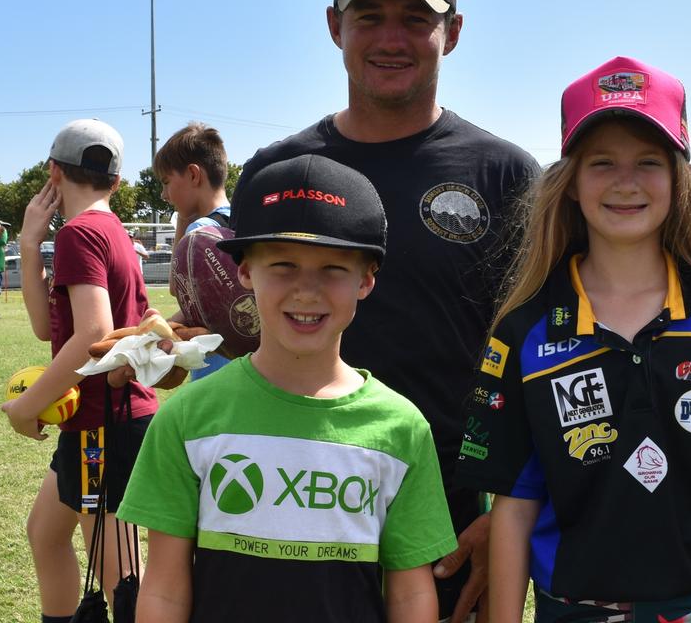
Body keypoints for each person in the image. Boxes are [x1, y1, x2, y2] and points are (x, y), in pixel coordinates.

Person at [230, 0, 540, 620]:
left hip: (454, 521)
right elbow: (247, 338)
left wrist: (508, 515)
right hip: (293, 499)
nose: (391, 38)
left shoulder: (506, 175)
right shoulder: (277, 173)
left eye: (415, 19)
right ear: (336, 26)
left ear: (452, 31)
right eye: (370, 16)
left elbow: (539, 356)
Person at [454, 57, 691, 623]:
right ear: (570, 182)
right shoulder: (524, 331)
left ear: (678, 178)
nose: (626, 182)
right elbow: (515, 507)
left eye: (648, 161)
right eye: (602, 163)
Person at [118, 154, 457, 622]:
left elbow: (410, 592)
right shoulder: (188, 418)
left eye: (334, 268)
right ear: (244, 271)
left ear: (367, 279)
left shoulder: (401, 428)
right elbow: (165, 589)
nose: (306, 291)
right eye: (282, 265)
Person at [2, 119, 154, 623]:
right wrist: (29, 246)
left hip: (102, 424)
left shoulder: (82, 234)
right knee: (45, 533)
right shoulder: (109, 231)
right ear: (116, 181)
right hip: (94, 420)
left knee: (119, 580)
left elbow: (91, 333)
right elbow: (49, 329)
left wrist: (27, 406)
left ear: (52, 172)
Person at [153, 121, 234, 379]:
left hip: (213, 374)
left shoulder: (200, 231)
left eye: (166, 182)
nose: (165, 194)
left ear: (193, 175)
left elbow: (177, 289)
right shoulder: (240, 221)